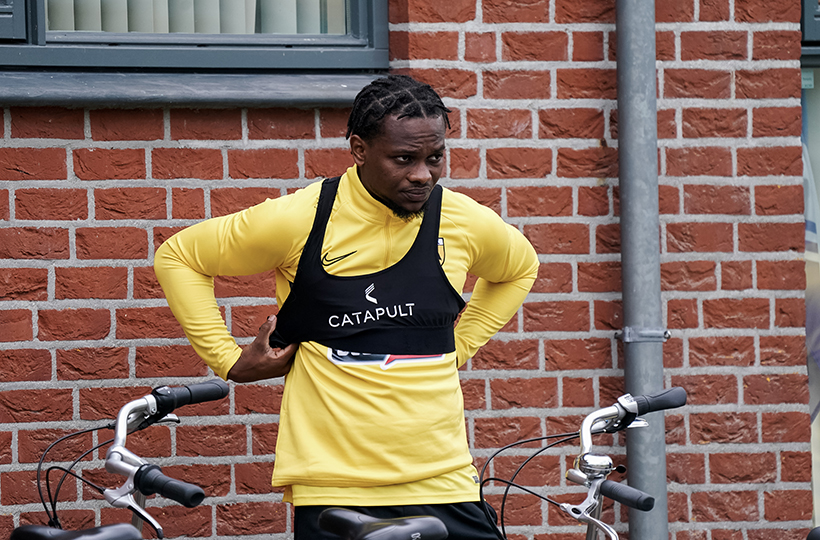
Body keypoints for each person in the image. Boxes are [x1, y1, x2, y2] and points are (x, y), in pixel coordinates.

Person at [154, 74, 539, 539]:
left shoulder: (463, 221)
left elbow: (520, 268)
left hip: (444, 478)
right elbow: (180, 257)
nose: (423, 174)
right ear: (359, 149)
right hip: (335, 488)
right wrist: (227, 360)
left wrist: (460, 346)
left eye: (435, 157)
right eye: (404, 159)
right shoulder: (303, 218)